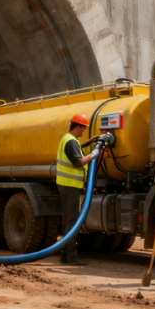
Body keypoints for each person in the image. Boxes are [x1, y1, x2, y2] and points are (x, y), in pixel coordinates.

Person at [56, 113, 101, 266]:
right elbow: (78, 162)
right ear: (78, 127)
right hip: (70, 186)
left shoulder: (68, 139)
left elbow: (76, 149)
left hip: (66, 185)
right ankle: (71, 257)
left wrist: (90, 142)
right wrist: (93, 154)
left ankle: (64, 255)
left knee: (67, 220)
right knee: (72, 221)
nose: (83, 132)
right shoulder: (70, 142)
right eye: (83, 128)